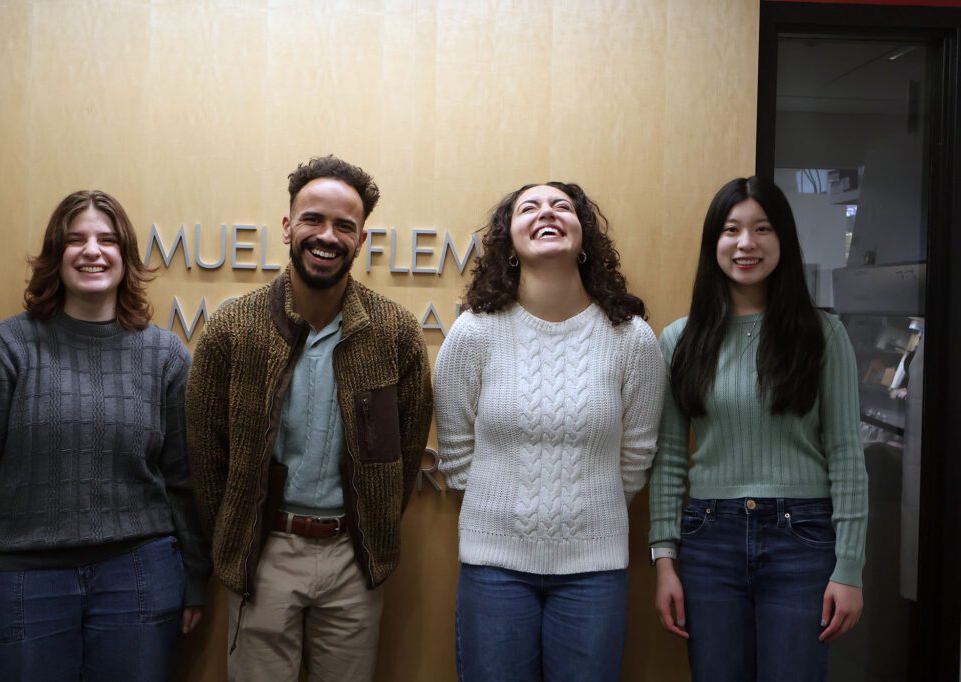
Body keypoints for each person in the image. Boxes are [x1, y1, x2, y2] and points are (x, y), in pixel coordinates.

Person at [0, 190, 210, 681]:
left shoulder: (166, 357)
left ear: (125, 256)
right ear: (55, 255)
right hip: (23, 586)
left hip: (139, 578)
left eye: (107, 239)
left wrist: (195, 578)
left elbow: (184, 481)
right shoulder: (5, 350)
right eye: (75, 239)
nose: (92, 250)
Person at [186, 155, 433, 682]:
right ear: (287, 226)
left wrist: (374, 523)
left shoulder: (395, 332)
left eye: (345, 225)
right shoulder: (234, 327)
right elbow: (206, 458)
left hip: (354, 557)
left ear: (361, 239)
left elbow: (407, 451)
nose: (327, 236)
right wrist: (236, 538)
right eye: (313, 219)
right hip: (263, 553)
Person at [434, 182, 665, 682]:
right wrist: (511, 513)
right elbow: (455, 453)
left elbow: (637, 454)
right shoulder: (474, 333)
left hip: (594, 573)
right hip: (494, 569)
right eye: (530, 208)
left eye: (563, 206)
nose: (548, 213)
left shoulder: (631, 338)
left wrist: (584, 513)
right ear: (508, 239)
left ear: (585, 237)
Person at [648, 176, 868, 681]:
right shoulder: (679, 341)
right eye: (732, 230)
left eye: (762, 229)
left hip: (804, 539)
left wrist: (849, 567)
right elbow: (669, 461)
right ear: (714, 243)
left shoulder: (822, 335)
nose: (746, 244)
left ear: (782, 241)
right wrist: (665, 560)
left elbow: (846, 456)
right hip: (708, 540)